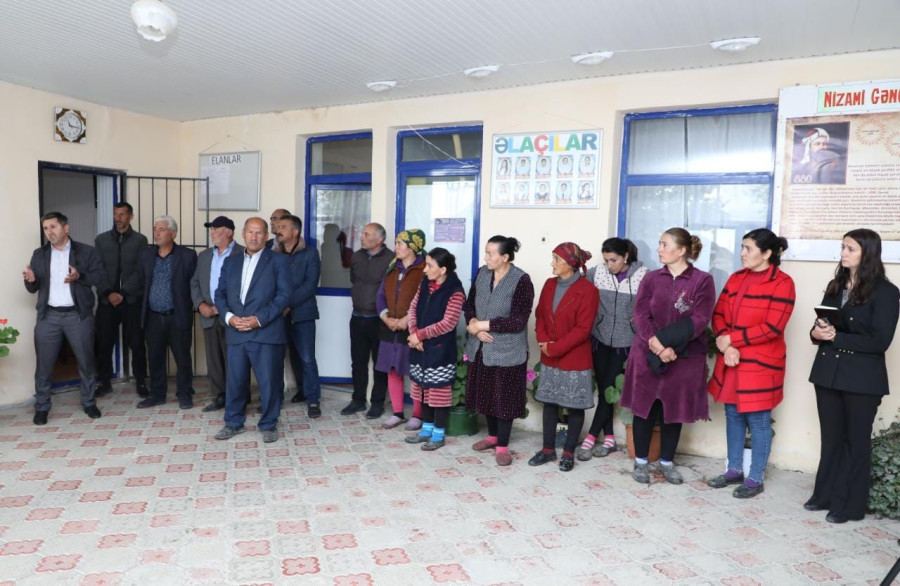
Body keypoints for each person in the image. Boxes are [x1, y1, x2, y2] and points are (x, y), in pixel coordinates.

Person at [806, 229, 899, 523]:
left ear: (867, 253)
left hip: (862, 379)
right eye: (843, 247)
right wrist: (817, 333)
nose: (843, 253)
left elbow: (880, 341)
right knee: (831, 439)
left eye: (850, 249)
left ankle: (849, 506)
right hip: (828, 374)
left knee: (856, 443)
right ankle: (824, 495)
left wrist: (836, 337)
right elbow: (823, 325)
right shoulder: (836, 285)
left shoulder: (886, 292)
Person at [621, 228, 715, 484]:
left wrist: (671, 346)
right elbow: (641, 314)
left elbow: (700, 319)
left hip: (684, 356)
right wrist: (657, 344)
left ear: (681, 250)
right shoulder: (651, 278)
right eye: (659, 243)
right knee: (644, 409)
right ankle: (641, 462)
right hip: (647, 353)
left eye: (664, 244)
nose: (659, 249)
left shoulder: (702, 280)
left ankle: (666, 463)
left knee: (674, 410)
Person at [706, 229, 796, 498]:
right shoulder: (736, 278)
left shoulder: (782, 283)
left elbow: (772, 327)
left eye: (748, 248)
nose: (742, 253)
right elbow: (718, 314)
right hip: (732, 359)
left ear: (767, 253)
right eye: (742, 247)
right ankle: (734, 470)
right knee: (733, 414)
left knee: (758, 420)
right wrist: (727, 344)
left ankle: (755, 477)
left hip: (761, 363)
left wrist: (732, 340)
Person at [24, 212, 105, 425]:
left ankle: (89, 402)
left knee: (86, 362)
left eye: (53, 227)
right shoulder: (39, 254)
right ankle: (42, 407)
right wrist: (30, 280)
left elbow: (100, 277)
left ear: (65, 228)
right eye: (45, 228)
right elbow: (33, 287)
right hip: (48, 316)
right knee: (44, 365)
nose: (49, 232)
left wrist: (80, 276)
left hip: (78, 315)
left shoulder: (86, 252)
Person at [214, 217, 291, 443]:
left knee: (269, 383)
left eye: (259, 233)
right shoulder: (231, 262)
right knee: (235, 382)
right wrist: (229, 318)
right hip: (236, 331)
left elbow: (284, 296)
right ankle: (233, 423)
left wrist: (259, 319)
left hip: (266, 333)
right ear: (243, 234)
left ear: (266, 236)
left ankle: (268, 424)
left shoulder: (278, 261)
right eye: (250, 232)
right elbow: (220, 294)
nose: (254, 237)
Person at [576, 238, 648, 461]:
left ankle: (590, 438)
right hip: (600, 339)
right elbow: (579, 290)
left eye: (614, 260)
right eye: (606, 260)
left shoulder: (644, 276)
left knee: (609, 389)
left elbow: (652, 306)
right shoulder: (597, 273)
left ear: (626, 256)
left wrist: (638, 321)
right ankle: (609, 439)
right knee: (604, 388)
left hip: (626, 343)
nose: (609, 265)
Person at [464, 236, 534, 466]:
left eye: (490, 253)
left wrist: (483, 325)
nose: (486, 258)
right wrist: (474, 325)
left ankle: (502, 445)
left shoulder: (521, 280)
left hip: (508, 350)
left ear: (505, 257)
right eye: (486, 252)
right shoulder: (482, 273)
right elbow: (470, 304)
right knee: (486, 394)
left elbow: (519, 319)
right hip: (482, 347)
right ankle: (492, 437)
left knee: (505, 398)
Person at [530, 243, 599, 472]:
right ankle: (547, 449)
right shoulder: (549, 284)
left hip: (574, 357)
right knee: (549, 403)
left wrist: (555, 348)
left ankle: (568, 452)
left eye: (556, 259)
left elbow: (583, 329)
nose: (552, 263)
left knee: (574, 406)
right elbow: (540, 315)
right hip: (549, 353)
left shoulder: (588, 290)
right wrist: (543, 341)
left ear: (570, 263)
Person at [404, 248, 466, 450]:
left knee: (438, 395)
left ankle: (438, 435)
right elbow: (412, 308)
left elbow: (447, 323)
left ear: (443, 269)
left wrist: (419, 335)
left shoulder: (455, 291)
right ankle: (426, 430)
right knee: (423, 391)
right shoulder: (425, 283)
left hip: (439, 351)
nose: (425, 270)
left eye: (430, 266)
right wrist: (413, 333)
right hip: (419, 349)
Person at [137, 216, 197, 409]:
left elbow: (193, 284)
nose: (156, 233)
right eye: (155, 229)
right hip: (153, 315)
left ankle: (185, 394)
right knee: (155, 357)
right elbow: (141, 282)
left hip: (177, 315)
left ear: (173, 233)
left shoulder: (187, 255)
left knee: (182, 357)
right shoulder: (146, 255)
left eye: (161, 229)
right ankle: (157, 395)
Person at [94, 202, 149, 398]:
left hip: (131, 300)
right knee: (104, 342)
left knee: (137, 342)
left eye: (122, 214)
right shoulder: (101, 240)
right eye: (115, 214)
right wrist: (109, 293)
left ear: (130, 216)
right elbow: (98, 269)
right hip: (107, 300)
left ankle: (141, 381)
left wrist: (123, 293)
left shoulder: (140, 240)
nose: (118, 218)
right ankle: (104, 382)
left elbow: (141, 270)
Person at [375, 230, 427, 430]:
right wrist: (385, 316)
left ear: (412, 247)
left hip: (412, 329)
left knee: (415, 372)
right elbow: (380, 295)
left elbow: (425, 299)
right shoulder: (392, 268)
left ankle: (418, 415)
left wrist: (407, 319)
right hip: (390, 328)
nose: (396, 247)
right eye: (396, 243)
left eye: (400, 243)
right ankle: (397, 413)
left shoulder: (423, 269)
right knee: (392, 369)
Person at [191, 216, 243, 412]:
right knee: (214, 359)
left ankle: (238, 397)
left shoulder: (242, 253)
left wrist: (222, 308)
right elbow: (194, 282)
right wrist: (200, 305)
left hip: (232, 315)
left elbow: (245, 286)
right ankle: (220, 395)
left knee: (235, 358)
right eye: (211, 229)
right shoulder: (204, 256)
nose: (212, 232)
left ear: (229, 232)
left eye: (216, 229)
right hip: (208, 314)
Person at [343, 223, 393, 418]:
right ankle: (358, 400)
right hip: (357, 318)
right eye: (362, 234)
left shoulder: (391, 259)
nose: (361, 237)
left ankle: (377, 403)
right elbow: (354, 280)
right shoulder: (357, 256)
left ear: (379, 239)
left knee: (380, 364)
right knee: (358, 362)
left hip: (379, 320)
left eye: (366, 234)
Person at [277, 214, 323, 419]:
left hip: (303, 314)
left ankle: (312, 399)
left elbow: (309, 285)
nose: (279, 230)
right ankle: (277, 398)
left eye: (283, 227)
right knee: (279, 357)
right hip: (278, 315)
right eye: (278, 226)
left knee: (306, 357)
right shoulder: (274, 252)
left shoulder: (310, 253)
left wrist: (287, 304)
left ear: (295, 232)